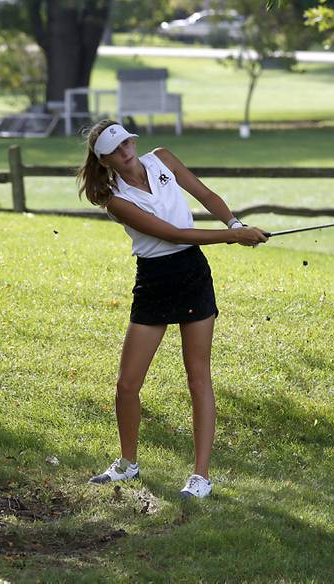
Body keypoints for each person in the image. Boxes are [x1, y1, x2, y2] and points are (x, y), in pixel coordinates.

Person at [77, 120, 268, 498]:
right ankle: (127, 465)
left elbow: (204, 194)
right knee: (127, 384)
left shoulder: (162, 158)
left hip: (192, 273)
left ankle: (201, 477)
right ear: (104, 161)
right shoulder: (112, 197)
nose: (126, 151)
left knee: (198, 377)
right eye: (116, 150)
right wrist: (231, 237)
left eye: (127, 142)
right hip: (154, 280)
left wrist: (234, 222)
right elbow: (171, 233)